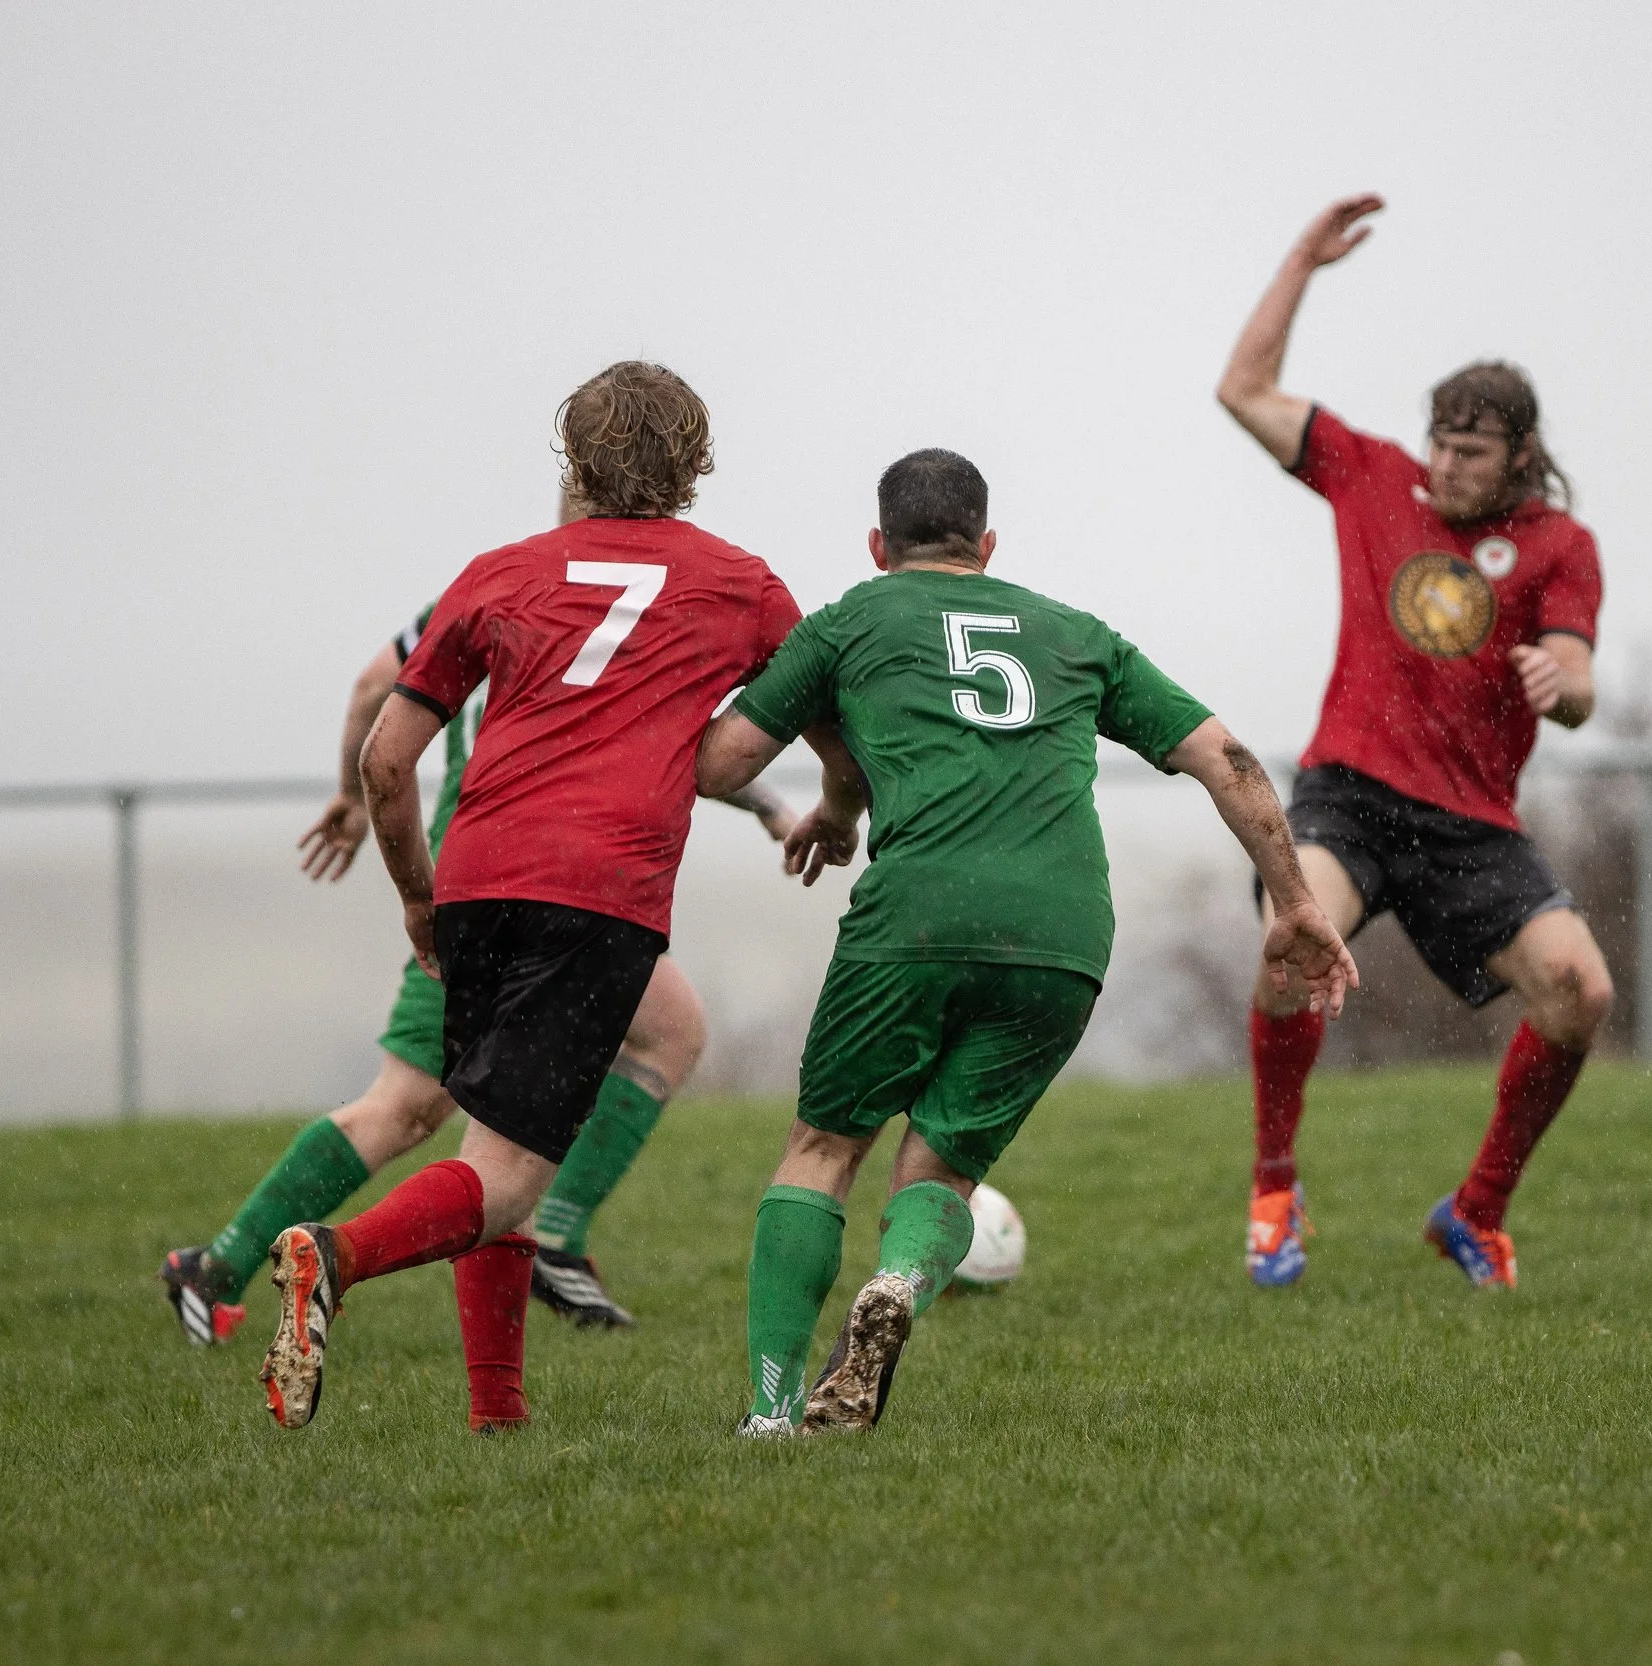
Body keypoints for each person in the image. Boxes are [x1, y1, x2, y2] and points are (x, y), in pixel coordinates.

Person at [696, 448, 1358, 1437]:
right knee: (943, 1169)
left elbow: (723, 761)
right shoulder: (1072, 632)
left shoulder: (846, 621)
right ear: (987, 543)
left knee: (823, 1148)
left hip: (918, 911)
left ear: (880, 545)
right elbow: (1226, 757)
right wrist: (1295, 898)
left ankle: (770, 1412)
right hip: (1062, 932)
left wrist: (817, 769)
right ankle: (899, 1282)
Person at [256, 360, 851, 1432]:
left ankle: (500, 1420)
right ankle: (330, 1258)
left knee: (502, 1137)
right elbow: (832, 728)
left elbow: (388, 763)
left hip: (476, 878)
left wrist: (413, 897)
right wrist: (836, 811)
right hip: (599, 890)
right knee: (509, 1173)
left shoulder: (495, 574)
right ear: (697, 464)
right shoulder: (740, 584)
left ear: (573, 461)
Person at [157, 547, 794, 1345]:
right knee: (409, 1109)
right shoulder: (623, 602)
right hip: (511, 881)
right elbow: (666, 736)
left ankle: (553, 1243)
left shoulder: (502, 588)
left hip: (508, 876)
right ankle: (219, 1266)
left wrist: (354, 800)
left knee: (669, 1028)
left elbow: (371, 689)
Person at [1216, 194, 1613, 1292]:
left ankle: (1475, 1212)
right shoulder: (1370, 474)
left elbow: (1578, 680)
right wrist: (1300, 257)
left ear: (1519, 456)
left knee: (1580, 990)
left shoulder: (1557, 546)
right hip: (1348, 791)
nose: (1444, 464)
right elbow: (1242, 389)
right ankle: (1272, 1188)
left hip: (1472, 825)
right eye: (1439, 440)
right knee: (1291, 942)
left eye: (1471, 450)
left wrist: (1561, 680)